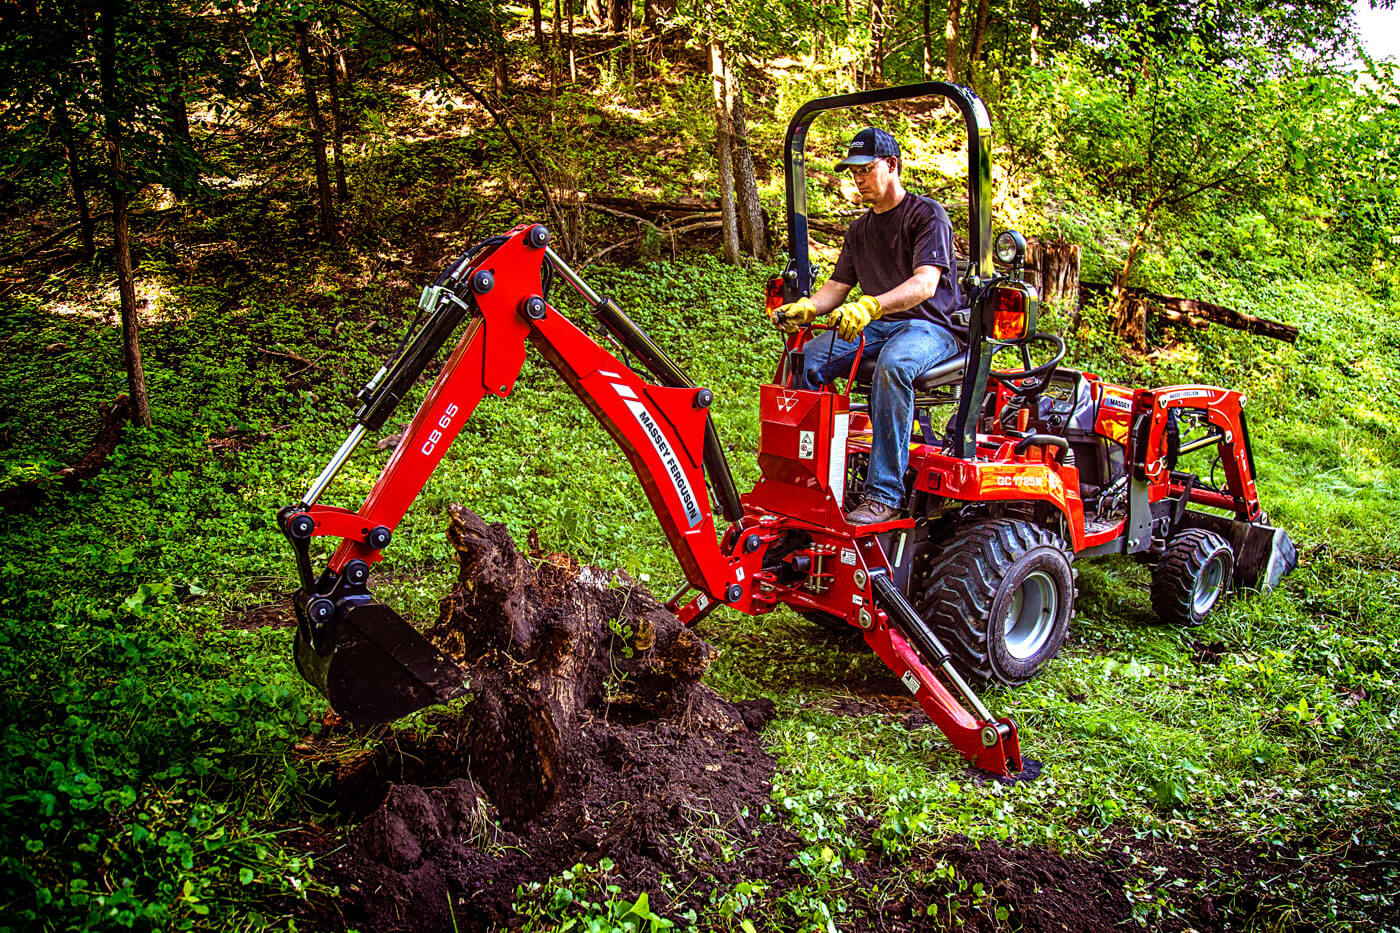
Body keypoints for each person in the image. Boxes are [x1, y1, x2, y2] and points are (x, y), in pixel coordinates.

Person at [771, 127, 964, 525]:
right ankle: (812, 477)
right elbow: (837, 287)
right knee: (805, 359)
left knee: (894, 367)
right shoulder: (859, 229)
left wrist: (872, 305)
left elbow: (925, 284)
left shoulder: (927, 215)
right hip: (879, 326)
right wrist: (807, 308)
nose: (857, 179)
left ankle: (883, 494)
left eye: (866, 168)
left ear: (891, 165)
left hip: (931, 329)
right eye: (852, 172)